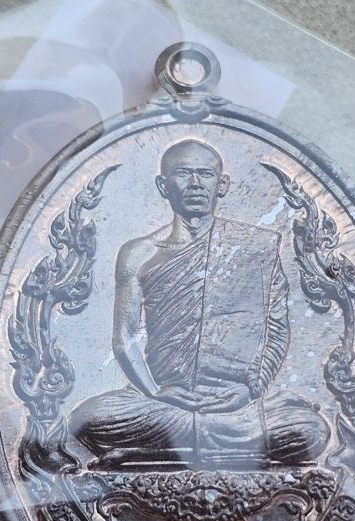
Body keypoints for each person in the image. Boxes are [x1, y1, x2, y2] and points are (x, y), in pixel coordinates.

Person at [70, 139, 329, 469]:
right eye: (183, 173)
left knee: (310, 430)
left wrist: (250, 391)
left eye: (205, 174)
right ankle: (230, 448)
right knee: (87, 419)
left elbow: (275, 331)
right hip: (166, 402)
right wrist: (154, 391)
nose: (195, 184)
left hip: (235, 403)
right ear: (163, 185)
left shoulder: (256, 247)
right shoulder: (139, 253)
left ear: (222, 185)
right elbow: (124, 338)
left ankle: (164, 450)